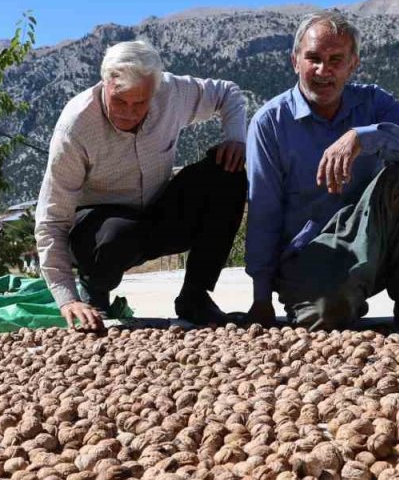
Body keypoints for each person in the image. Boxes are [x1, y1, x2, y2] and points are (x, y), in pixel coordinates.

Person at [245, 11, 399, 331]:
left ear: (353, 64)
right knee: (325, 318)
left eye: (336, 59)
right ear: (295, 60)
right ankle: (341, 298)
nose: (324, 70)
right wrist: (261, 300)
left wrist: (365, 137)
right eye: (313, 58)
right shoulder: (270, 123)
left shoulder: (374, 103)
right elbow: (263, 212)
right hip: (312, 255)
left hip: (377, 248)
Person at [34, 40, 248, 329]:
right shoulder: (76, 126)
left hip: (157, 214)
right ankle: (96, 288)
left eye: (141, 103)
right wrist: (67, 298)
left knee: (228, 172)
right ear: (105, 83)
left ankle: (195, 297)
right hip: (100, 230)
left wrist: (236, 138)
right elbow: (52, 219)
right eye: (120, 101)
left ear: (155, 90)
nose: (130, 112)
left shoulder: (171, 92)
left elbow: (229, 93)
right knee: (114, 237)